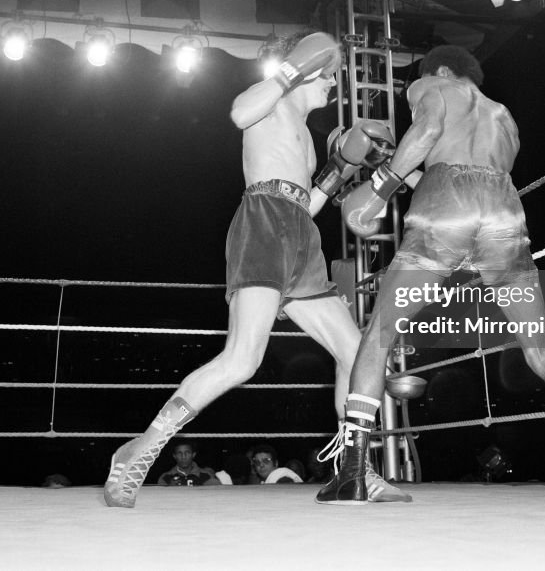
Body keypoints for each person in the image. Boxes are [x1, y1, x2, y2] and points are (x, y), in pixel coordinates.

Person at [318, 44, 545, 504]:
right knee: (542, 353)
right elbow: (466, 172)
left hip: (445, 206)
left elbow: (431, 136)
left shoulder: (430, 84)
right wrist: (401, 169)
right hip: (503, 213)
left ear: (445, 70)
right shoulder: (506, 118)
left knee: (378, 337)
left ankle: (352, 473)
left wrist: (379, 188)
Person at [104, 31, 410, 508]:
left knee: (356, 352)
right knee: (242, 360)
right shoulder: (270, 100)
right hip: (263, 222)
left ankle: (355, 472)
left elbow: (307, 204)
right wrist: (291, 68)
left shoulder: (308, 139)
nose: (334, 86)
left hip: (300, 235)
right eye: (329, 75)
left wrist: (339, 172)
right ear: (307, 68)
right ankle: (140, 450)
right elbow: (238, 112)